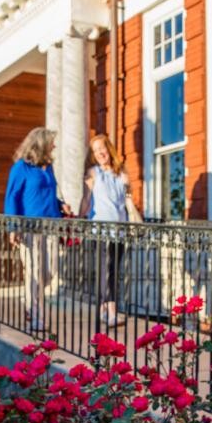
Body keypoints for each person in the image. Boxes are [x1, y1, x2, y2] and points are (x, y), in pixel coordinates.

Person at [4, 127, 70, 331]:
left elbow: (47, 194)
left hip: (51, 225)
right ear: (41, 144)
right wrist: (13, 227)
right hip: (29, 228)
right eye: (51, 142)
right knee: (34, 270)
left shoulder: (48, 167)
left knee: (50, 271)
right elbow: (12, 197)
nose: (54, 146)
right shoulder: (21, 168)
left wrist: (60, 204)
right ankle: (36, 316)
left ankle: (28, 300)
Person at [78, 134, 131, 326]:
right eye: (95, 150)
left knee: (114, 270)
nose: (100, 153)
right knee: (105, 269)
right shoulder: (93, 173)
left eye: (102, 148)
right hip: (100, 229)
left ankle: (102, 308)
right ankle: (111, 312)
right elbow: (85, 199)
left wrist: (135, 220)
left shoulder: (122, 173)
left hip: (120, 229)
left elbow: (128, 200)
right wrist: (78, 218)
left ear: (109, 148)